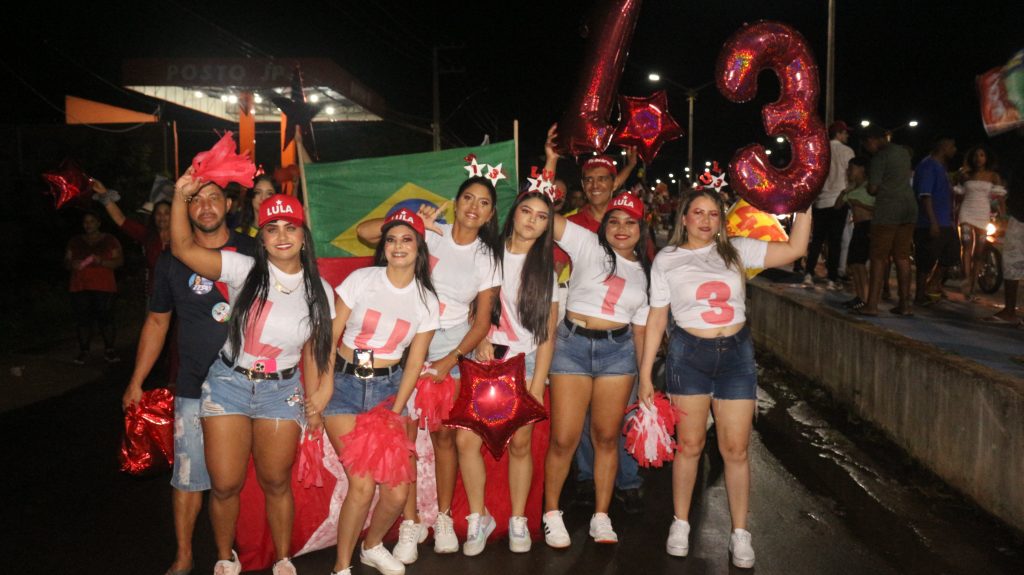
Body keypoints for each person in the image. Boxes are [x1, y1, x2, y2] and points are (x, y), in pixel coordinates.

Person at [170, 171, 336, 575]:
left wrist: (316, 401)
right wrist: (179, 196)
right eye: (272, 228)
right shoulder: (241, 268)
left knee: (276, 481)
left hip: (282, 392)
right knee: (225, 483)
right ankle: (225, 556)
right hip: (228, 384)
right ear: (261, 238)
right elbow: (182, 247)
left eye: (290, 227)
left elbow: (316, 352)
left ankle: (282, 557)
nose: (282, 236)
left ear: (303, 236)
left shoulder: (321, 292)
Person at [637, 189, 811, 569]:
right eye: (697, 212)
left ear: (721, 220)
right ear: (684, 217)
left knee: (736, 449)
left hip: (735, 355)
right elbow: (657, 316)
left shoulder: (737, 251)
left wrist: (805, 201)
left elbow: (796, 249)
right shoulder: (667, 258)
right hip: (688, 355)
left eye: (713, 213)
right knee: (689, 445)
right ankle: (680, 522)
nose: (705, 220)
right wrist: (646, 374)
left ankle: (740, 532)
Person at [356, 178, 501, 557]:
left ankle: (444, 516)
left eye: (483, 203)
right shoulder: (432, 233)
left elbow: (482, 322)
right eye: (467, 198)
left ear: (490, 214)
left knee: (443, 438)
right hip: (406, 339)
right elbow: (365, 232)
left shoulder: (487, 257)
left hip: (450, 347)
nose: (473, 207)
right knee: (401, 433)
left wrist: (450, 360)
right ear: (455, 201)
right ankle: (410, 523)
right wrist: (411, 220)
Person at [121, 183, 254, 575]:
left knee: (248, 477)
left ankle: (236, 551)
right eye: (196, 200)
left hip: (253, 384)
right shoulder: (171, 260)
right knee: (188, 474)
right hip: (194, 383)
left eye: (214, 198)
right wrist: (136, 380)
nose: (206, 206)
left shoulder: (255, 250)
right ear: (186, 208)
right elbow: (157, 322)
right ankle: (184, 555)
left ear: (229, 204)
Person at [542, 124, 652, 546]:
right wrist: (551, 163)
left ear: (642, 229)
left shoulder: (647, 273)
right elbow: (542, 214)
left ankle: (602, 517)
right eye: (614, 221)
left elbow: (642, 330)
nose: (621, 228)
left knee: (607, 437)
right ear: (604, 224)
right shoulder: (586, 243)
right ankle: (552, 513)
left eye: (630, 222)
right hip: (571, 346)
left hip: (617, 354)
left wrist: (646, 377)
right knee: (565, 438)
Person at [324, 209, 440, 575]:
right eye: (391, 239)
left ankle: (371, 546)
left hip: (389, 390)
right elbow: (330, 337)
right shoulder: (362, 280)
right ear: (383, 246)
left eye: (407, 239)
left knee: (397, 492)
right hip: (344, 385)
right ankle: (341, 567)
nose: (398, 246)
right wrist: (323, 384)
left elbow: (415, 361)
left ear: (419, 247)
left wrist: (396, 409)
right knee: (361, 485)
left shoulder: (426, 300)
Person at [449, 188, 559, 555]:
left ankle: (518, 519)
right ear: (513, 214)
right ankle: (478, 518)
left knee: (521, 444)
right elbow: (469, 301)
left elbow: (546, 335)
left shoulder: (547, 271)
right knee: (467, 441)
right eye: (526, 211)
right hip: (484, 361)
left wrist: (538, 383)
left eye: (541, 217)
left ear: (546, 226)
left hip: (524, 364)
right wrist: (479, 334)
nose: (532, 220)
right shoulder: (487, 253)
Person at [857, 125, 917, 316]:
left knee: (878, 257)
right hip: (909, 207)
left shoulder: (879, 157)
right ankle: (905, 304)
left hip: (888, 209)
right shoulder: (903, 152)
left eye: (866, 145)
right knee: (902, 257)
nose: (868, 149)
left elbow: (873, 189)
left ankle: (871, 305)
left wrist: (869, 185)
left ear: (871, 140)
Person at [92, 179, 170, 296]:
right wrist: (104, 195)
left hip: (182, 295)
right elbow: (121, 220)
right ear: (153, 217)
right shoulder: (148, 235)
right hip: (156, 295)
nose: (162, 217)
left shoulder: (183, 236)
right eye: (158, 213)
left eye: (167, 213)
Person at [65, 210, 124, 364]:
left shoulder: (109, 240)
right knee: (83, 320)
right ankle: (84, 350)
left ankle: (109, 350)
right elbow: (67, 261)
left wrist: (102, 262)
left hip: (104, 286)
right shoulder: (75, 241)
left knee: (106, 318)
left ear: (98, 223)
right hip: (80, 286)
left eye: (91, 221)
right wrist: (72, 264)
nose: (88, 225)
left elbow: (119, 261)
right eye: (86, 222)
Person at [804, 120, 855, 290]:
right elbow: (852, 176)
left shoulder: (821, 151)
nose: (847, 136)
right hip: (838, 201)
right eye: (845, 133)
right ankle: (832, 279)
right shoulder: (847, 151)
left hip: (820, 201)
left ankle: (808, 274)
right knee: (835, 242)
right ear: (838, 134)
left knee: (817, 240)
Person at [956, 145, 1007, 300]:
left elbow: (1000, 199)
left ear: (986, 158)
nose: (978, 158)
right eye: (975, 155)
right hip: (966, 212)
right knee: (966, 245)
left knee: (979, 252)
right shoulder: (966, 175)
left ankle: (973, 286)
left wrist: (1003, 217)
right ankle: (966, 279)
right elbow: (958, 196)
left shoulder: (993, 176)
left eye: (982, 155)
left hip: (983, 214)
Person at [913, 137, 959, 306]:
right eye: (952, 146)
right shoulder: (928, 166)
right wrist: (933, 221)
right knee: (925, 260)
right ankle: (919, 295)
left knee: (951, 255)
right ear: (943, 147)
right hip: (929, 222)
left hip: (945, 222)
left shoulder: (941, 167)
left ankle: (932, 284)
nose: (955, 150)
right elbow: (925, 196)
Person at [986, 140, 1023, 326]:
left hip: (1020, 215)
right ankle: (1009, 312)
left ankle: (1009, 312)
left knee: (1012, 260)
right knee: (1012, 262)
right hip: (1018, 214)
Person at [836, 157, 873, 309]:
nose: (848, 171)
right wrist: (845, 192)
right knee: (853, 263)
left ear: (861, 169)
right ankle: (859, 296)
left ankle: (865, 298)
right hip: (858, 227)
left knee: (860, 263)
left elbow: (879, 208)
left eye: (851, 168)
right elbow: (837, 206)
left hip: (868, 226)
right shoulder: (852, 188)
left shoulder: (870, 187)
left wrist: (860, 204)